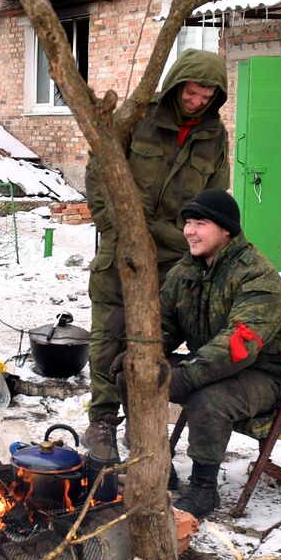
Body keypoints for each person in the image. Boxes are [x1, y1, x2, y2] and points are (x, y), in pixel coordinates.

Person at [84, 48, 231, 463]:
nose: (197, 101)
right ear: (178, 83)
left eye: (207, 96)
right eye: (192, 92)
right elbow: (99, 168)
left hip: (173, 255)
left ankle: (141, 422)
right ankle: (101, 422)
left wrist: (202, 247)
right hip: (121, 248)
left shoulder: (214, 136)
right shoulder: (138, 117)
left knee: (153, 343)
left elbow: (215, 200)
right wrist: (114, 227)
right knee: (108, 338)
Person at [148, 189, 281, 518]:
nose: (189, 231)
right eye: (188, 223)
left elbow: (239, 346)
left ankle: (203, 488)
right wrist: (142, 353)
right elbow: (163, 323)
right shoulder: (187, 270)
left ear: (226, 230)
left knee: (207, 397)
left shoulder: (257, 276)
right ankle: (157, 466)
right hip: (210, 363)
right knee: (135, 374)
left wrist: (184, 377)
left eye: (200, 223)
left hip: (265, 375)